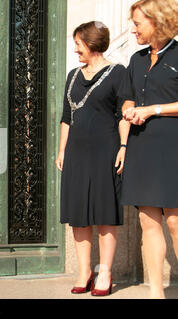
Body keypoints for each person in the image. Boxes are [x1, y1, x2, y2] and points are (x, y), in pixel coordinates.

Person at [55, 21, 129, 296]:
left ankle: (105, 272)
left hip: (105, 150)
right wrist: (62, 150)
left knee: (105, 212)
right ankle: (84, 270)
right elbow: (66, 117)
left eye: (78, 43)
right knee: (78, 215)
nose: (76, 49)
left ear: (92, 44)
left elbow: (123, 112)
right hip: (76, 151)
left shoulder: (118, 73)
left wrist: (123, 146)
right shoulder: (73, 75)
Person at [119, 0, 178, 299]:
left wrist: (152, 109)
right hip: (141, 146)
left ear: (158, 22)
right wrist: (130, 113)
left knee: (175, 221)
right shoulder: (137, 59)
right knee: (147, 220)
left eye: (138, 23)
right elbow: (128, 99)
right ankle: (156, 294)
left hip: (172, 147)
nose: (133, 29)